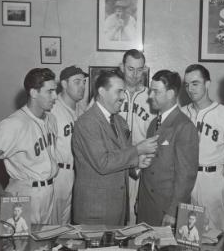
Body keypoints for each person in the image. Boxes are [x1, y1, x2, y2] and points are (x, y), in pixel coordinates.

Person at [72, 69, 159, 225]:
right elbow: (103, 163)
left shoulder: (119, 121)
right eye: (118, 92)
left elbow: (122, 157)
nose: (122, 97)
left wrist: (137, 163)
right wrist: (137, 150)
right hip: (95, 210)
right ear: (102, 92)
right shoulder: (87, 122)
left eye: (123, 92)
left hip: (118, 208)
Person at [0, 68, 58, 224]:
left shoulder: (51, 119)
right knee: (18, 246)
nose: (55, 96)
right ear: (34, 93)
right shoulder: (14, 124)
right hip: (23, 193)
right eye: (50, 91)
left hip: (48, 191)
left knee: (45, 244)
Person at [137, 70, 199, 226]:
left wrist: (173, 212)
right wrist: (140, 200)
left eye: (156, 91)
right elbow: (148, 168)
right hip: (147, 205)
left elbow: (186, 176)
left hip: (167, 209)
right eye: (151, 90)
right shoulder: (153, 124)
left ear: (171, 94)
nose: (150, 96)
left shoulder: (184, 126)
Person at [181, 64, 224, 233]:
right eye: (187, 85)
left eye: (195, 83)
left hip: (211, 179)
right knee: (188, 233)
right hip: (185, 179)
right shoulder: (181, 113)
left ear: (207, 84)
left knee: (214, 233)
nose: (190, 88)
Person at [119, 49, 156, 225]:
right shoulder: (110, 93)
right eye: (130, 69)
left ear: (145, 70)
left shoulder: (152, 96)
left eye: (139, 69)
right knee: (115, 217)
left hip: (142, 166)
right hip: (115, 164)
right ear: (122, 67)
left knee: (137, 219)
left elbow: (164, 134)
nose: (135, 74)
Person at [51, 65, 87, 225]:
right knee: (52, 224)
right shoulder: (52, 109)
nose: (82, 86)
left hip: (77, 173)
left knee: (67, 225)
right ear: (64, 84)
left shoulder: (81, 109)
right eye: (77, 82)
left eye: (84, 82)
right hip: (58, 174)